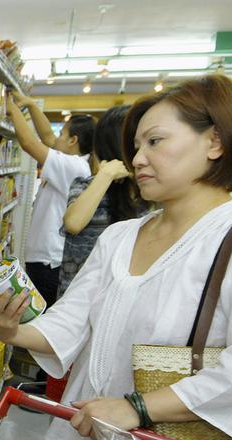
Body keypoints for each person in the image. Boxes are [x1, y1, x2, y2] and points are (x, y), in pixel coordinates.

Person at [0, 73, 232, 440]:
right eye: (136, 145)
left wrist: (137, 406)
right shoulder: (120, 236)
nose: (137, 159)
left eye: (155, 141)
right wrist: (11, 330)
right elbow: (70, 322)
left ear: (214, 141)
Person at [6, 93, 95, 306]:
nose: (57, 139)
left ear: (73, 140)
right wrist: (29, 104)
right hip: (45, 259)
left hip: (48, 263)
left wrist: (11, 108)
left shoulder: (73, 166)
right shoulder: (75, 162)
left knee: (38, 320)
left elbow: (29, 143)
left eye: (62, 134)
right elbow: (46, 136)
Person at [58, 105, 149, 298]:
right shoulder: (86, 187)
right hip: (77, 305)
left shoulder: (148, 193)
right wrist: (106, 174)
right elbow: (73, 223)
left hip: (122, 302)